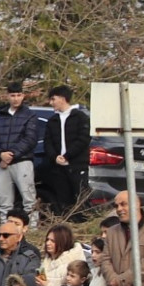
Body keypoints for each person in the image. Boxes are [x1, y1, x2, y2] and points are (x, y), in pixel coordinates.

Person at [0, 80, 44, 228]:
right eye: (13, 95)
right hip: (1, 163)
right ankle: (5, 228)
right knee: (4, 201)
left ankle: (32, 229)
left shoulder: (29, 115)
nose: (16, 98)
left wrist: (11, 155)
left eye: (18, 95)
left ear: (23, 95)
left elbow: (30, 139)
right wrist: (0, 154)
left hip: (22, 161)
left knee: (29, 199)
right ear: (7, 96)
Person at [44, 87, 91, 217]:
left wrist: (68, 155)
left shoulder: (80, 117)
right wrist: (55, 157)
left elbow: (84, 139)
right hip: (58, 168)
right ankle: (66, 223)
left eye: (53, 99)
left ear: (63, 99)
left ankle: (82, 221)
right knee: (63, 200)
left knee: (81, 197)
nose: (51, 103)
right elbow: (48, 142)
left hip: (77, 165)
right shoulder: (52, 121)